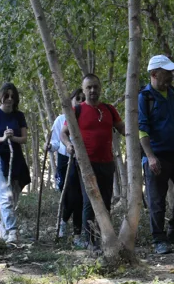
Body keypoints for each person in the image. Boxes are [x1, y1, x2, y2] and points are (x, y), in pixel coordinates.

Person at [62, 73, 124, 250]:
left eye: (95, 87)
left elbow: (122, 128)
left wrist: (135, 133)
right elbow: (63, 133)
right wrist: (68, 145)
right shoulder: (77, 110)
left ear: (100, 88)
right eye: (88, 87)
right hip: (86, 164)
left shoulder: (109, 109)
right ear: (83, 89)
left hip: (107, 162)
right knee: (90, 202)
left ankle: (105, 238)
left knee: (105, 201)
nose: (92, 90)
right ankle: (90, 241)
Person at [139, 55, 174, 255]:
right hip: (156, 155)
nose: (171, 75)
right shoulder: (145, 97)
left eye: (171, 71)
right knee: (157, 199)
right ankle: (158, 238)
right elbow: (142, 130)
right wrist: (150, 157)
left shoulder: (173, 93)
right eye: (166, 72)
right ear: (154, 74)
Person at [0, 82, 30, 243]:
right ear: (1, 96)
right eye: (6, 96)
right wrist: (2, 138)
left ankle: (2, 224)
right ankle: (12, 231)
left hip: (16, 158)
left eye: (12, 96)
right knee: (5, 196)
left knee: (15, 193)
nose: (9, 99)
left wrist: (12, 137)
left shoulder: (19, 115)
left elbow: (24, 138)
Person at [49, 89, 85, 238]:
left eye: (83, 99)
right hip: (65, 160)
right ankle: (62, 222)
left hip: (82, 160)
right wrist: (50, 147)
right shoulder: (60, 120)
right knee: (69, 196)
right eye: (78, 98)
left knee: (79, 197)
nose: (80, 101)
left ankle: (77, 233)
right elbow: (55, 142)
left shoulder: (87, 118)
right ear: (70, 102)